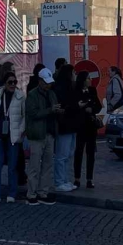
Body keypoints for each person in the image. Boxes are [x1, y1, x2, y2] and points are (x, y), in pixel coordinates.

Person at [0, 71, 24, 203]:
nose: (13, 84)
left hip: (13, 135)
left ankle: (12, 193)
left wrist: (20, 131)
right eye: (10, 82)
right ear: (4, 83)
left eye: (14, 82)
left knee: (12, 167)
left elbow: (24, 116)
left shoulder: (20, 96)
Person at [23, 75, 58, 206]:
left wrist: (57, 110)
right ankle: (31, 193)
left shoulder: (52, 94)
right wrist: (50, 110)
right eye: (46, 83)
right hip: (37, 135)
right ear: (40, 81)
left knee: (47, 165)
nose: (48, 85)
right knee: (34, 165)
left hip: (49, 133)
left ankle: (43, 192)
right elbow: (32, 113)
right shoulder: (32, 95)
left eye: (49, 83)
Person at [52, 64, 78, 193]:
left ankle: (65, 179)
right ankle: (59, 181)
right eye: (73, 72)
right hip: (64, 126)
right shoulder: (60, 88)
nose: (75, 75)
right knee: (62, 155)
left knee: (68, 154)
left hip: (71, 125)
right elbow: (62, 106)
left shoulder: (71, 87)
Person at [74, 75, 102, 190]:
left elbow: (98, 106)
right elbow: (73, 107)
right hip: (80, 126)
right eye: (88, 78)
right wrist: (81, 108)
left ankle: (89, 179)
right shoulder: (76, 91)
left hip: (91, 125)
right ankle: (77, 178)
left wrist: (92, 109)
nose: (90, 80)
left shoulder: (92, 90)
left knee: (91, 153)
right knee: (78, 152)